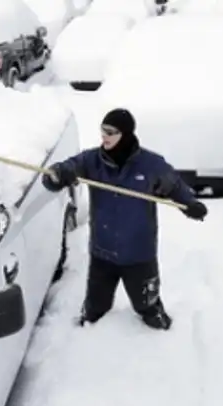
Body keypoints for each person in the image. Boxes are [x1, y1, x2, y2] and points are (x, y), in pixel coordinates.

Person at [41, 108, 208, 330]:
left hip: (139, 253)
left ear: (126, 134)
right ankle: (84, 337)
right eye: (103, 131)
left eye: (111, 132)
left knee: (149, 308)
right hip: (103, 251)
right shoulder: (92, 161)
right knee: (94, 310)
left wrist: (191, 204)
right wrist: (57, 175)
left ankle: (164, 340)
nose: (105, 137)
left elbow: (175, 186)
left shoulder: (150, 165)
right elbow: (66, 169)